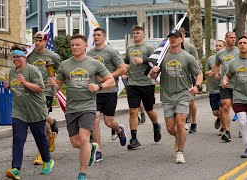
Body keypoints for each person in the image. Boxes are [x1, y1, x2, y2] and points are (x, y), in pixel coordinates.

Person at [48, 34, 115, 180]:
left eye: (77, 45)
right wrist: (54, 85)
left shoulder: (94, 64)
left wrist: (99, 86)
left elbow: (111, 80)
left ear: (85, 46)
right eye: (72, 45)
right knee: (75, 143)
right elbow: (57, 87)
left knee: (84, 138)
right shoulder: (65, 65)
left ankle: (82, 173)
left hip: (88, 106)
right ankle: (92, 148)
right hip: (71, 108)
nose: (74, 47)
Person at [150, 29, 203, 163]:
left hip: (183, 94)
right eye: (171, 37)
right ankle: (178, 138)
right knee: (170, 128)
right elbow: (153, 76)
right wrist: (154, 72)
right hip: (167, 95)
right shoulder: (163, 57)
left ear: (181, 40)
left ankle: (180, 152)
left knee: (180, 123)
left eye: (176, 37)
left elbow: (199, 74)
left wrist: (196, 86)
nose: (173, 39)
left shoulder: (188, 57)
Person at [4, 45, 54, 179]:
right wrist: (9, 87)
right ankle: (15, 169)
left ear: (24, 56)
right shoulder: (12, 72)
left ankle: (48, 161)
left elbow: (40, 88)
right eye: (13, 56)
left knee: (40, 137)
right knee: (18, 138)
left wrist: (25, 82)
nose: (15, 59)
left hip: (36, 109)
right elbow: (17, 90)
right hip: (19, 111)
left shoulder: (32, 70)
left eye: (18, 56)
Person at [87, 27, 127, 162]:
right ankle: (98, 151)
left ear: (104, 37)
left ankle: (119, 130)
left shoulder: (111, 51)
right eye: (94, 35)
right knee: (95, 119)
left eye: (98, 35)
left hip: (109, 91)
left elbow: (123, 69)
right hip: (95, 92)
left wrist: (107, 77)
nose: (96, 37)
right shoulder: (90, 53)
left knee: (109, 121)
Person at [124, 25, 162, 150]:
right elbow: (125, 62)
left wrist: (143, 61)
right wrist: (125, 70)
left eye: (138, 33)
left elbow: (156, 64)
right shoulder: (129, 48)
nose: (135, 35)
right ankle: (134, 139)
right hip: (132, 84)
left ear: (144, 34)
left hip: (147, 83)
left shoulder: (149, 48)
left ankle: (156, 125)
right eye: (134, 33)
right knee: (133, 110)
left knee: (149, 110)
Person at [27, 31, 61, 165]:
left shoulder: (53, 56)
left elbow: (63, 71)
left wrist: (57, 81)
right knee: (43, 120)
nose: (37, 42)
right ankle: (52, 124)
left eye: (40, 40)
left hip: (46, 91)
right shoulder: (29, 56)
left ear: (46, 41)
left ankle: (42, 153)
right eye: (36, 40)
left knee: (40, 121)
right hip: (32, 91)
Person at [214, 32, 239, 142]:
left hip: (238, 84)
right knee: (225, 107)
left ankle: (243, 127)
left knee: (238, 109)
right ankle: (227, 131)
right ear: (226, 39)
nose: (233, 39)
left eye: (234, 38)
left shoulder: (239, 51)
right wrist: (216, 73)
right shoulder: (221, 53)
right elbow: (216, 64)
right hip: (224, 84)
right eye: (231, 38)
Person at [179, 27, 200, 133]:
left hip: (189, 77)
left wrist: (197, 80)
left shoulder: (190, 47)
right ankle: (183, 122)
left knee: (190, 102)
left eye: (180, 34)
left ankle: (194, 122)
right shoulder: (170, 48)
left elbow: (196, 62)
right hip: (177, 78)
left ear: (183, 36)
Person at [205, 40, 225, 133]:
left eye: (220, 45)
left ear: (224, 47)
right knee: (215, 112)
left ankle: (224, 128)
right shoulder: (210, 59)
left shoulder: (227, 58)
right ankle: (220, 118)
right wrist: (209, 73)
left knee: (223, 108)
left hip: (224, 88)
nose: (217, 47)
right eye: (216, 45)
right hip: (213, 88)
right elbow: (206, 71)